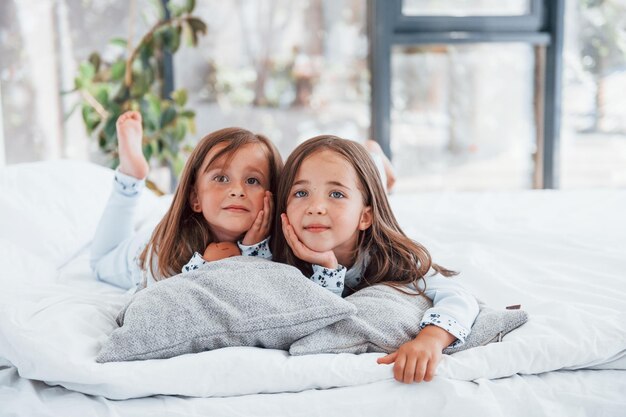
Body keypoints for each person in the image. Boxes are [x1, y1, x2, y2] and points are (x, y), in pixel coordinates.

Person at [272, 135, 479, 384]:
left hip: (370, 202)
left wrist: (431, 339)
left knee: (373, 175)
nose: (315, 207)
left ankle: (375, 156)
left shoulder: (389, 255)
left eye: (336, 194)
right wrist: (326, 267)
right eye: (301, 192)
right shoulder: (278, 257)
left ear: (365, 217)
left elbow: (458, 296)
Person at [90, 111, 283, 290]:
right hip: (140, 250)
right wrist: (207, 265)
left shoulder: (278, 246)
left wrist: (253, 250)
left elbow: (260, 295)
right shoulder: (167, 250)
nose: (237, 191)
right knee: (98, 262)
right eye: (222, 178)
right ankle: (129, 181)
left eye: (252, 180)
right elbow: (174, 304)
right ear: (195, 198)